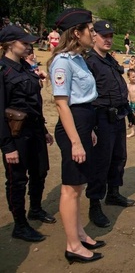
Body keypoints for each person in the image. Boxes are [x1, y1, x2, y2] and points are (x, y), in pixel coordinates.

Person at [48, 8, 104, 263]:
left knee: (79, 185)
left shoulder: (79, 58)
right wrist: (75, 141)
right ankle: (73, 246)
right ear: (76, 33)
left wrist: (89, 130)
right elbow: (62, 104)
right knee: (70, 188)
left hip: (84, 123)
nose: (93, 34)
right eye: (89, 30)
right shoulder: (62, 62)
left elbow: (85, 101)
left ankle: (79, 233)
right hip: (72, 126)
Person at [0, 26, 55, 242]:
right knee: (17, 180)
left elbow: (34, 104)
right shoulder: (3, 71)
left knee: (40, 171)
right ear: (9, 44)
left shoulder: (26, 67)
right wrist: (7, 146)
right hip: (16, 135)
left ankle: (35, 209)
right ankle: (20, 225)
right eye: (24, 42)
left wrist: (44, 130)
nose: (28, 46)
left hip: (35, 130)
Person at [85, 20, 135, 228]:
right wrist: (90, 124)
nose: (108, 39)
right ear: (94, 36)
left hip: (117, 117)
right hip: (100, 118)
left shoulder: (110, 61)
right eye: (103, 35)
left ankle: (113, 193)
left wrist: (129, 112)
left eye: (110, 36)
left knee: (118, 157)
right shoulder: (89, 61)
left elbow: (118, 87)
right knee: (101, 162)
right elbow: (85, 96)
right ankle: (94, 204)